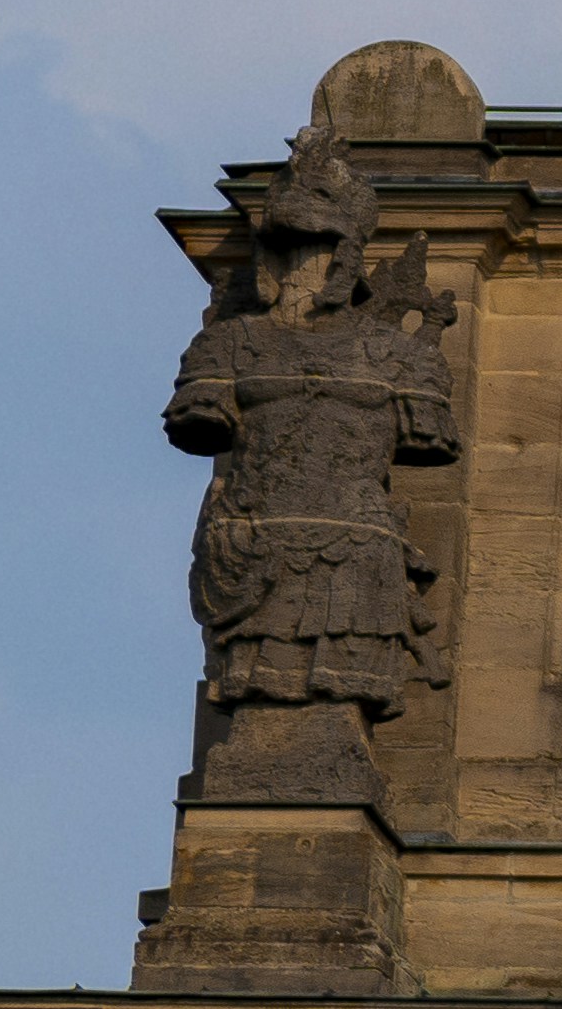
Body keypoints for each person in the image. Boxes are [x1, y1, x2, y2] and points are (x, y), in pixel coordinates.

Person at [169, 120, 459, 719]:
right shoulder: (227, 347)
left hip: (355, 555)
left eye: (321, 249)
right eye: (288, 249)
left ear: (349, 254)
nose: (303, 264)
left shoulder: (399, 356)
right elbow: (198, 421)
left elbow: (428, 437)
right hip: (253, 548)